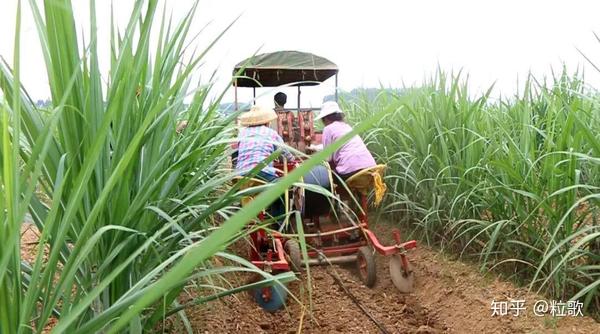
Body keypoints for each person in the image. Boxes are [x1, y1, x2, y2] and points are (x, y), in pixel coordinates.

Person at [235, 106, 295, 223]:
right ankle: (279, 225)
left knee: (247, 196)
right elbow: (284, 151)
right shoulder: (270, 133)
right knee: (282, 189)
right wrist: (292, 159)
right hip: (261, 173)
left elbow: (237, 153)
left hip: (240, 176)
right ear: (267, 122)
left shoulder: (242, 133)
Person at [316, 101, 376, 182]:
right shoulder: (347, 127)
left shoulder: (328, 129)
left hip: (351, 170)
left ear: (325, 118)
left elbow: (327, 158)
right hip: (371, 168)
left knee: (324, 177)